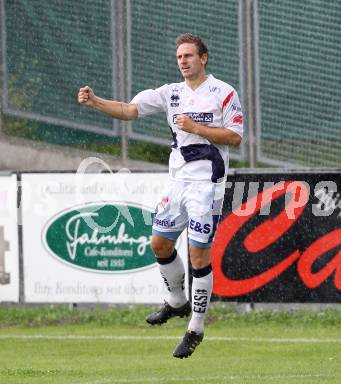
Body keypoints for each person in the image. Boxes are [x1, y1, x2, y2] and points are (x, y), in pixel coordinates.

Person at [78, 33, 243, 359]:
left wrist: (197, 128)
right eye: (179, 57)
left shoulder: (224, 93)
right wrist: (97, 102)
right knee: (159, 244)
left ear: (203, 58)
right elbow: (129, 110)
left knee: (198, 255)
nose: (183, 61)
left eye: (189, 56)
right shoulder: (171, 93)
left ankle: (196, 327)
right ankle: (177, 302)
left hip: (207, 186)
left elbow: (235, 138)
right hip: (176, 184)